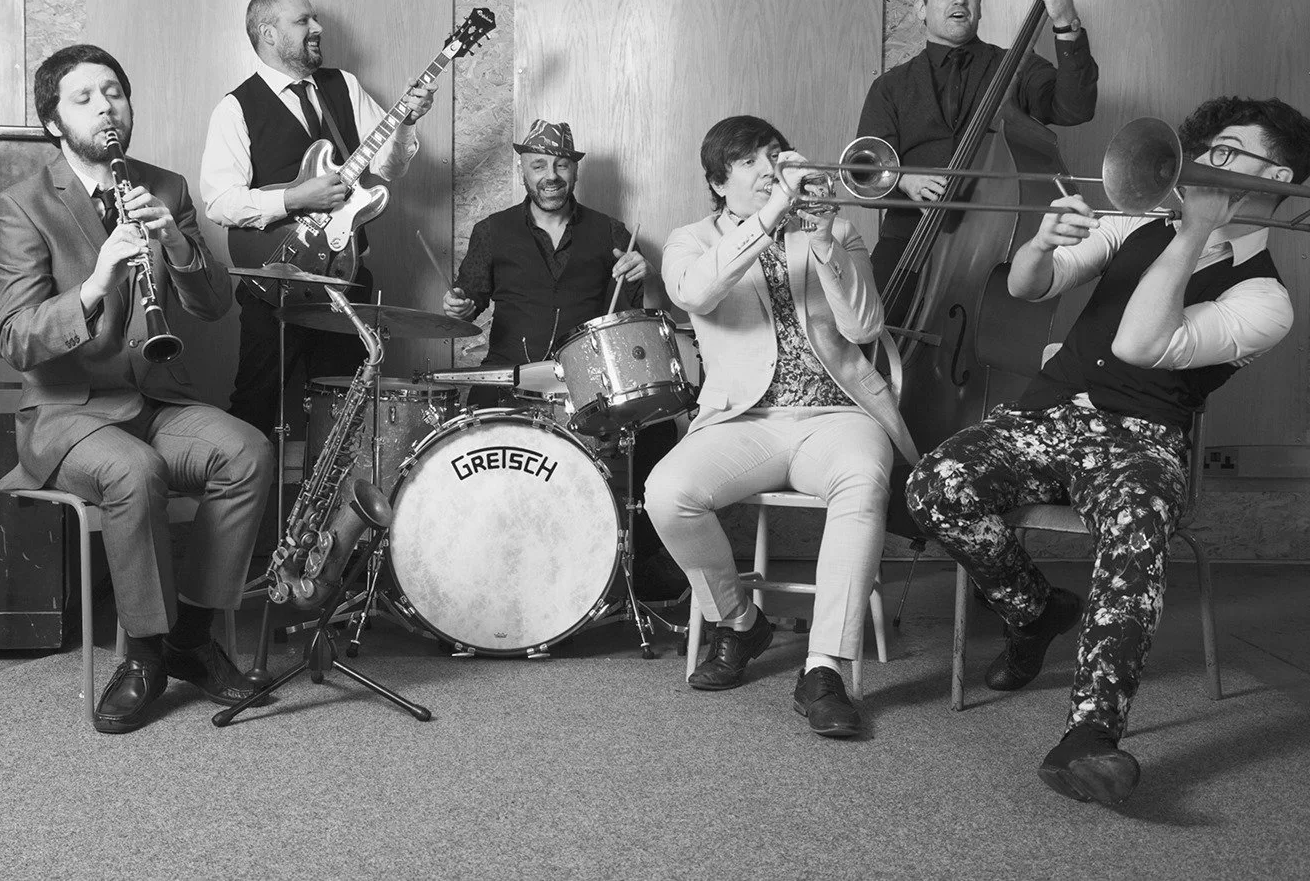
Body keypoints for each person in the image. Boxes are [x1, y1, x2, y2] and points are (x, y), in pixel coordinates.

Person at [906, 96, 1310, 803]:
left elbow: (1140, 344)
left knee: (1135, 531)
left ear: (1276, 176)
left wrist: (1195, 232)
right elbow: (1031, 287)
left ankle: (1091, 734)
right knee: (933, 485)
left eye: (1226, 152)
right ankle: (1036, 611)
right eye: (1203, 150)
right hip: (1050, 412)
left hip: (1142, 441)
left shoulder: (1266, 300)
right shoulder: (1136, 222)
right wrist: (1040, 243)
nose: (1202, 163)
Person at [0, 44, 275, 734]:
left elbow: (214, 305)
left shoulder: (165, 188)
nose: (106, 107)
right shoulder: (23, 204)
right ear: (54, 122)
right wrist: (95, 283)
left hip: (154, 399)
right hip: (67, 414)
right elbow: (18, 338)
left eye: (114, 92)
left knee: (248, 451)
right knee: (134, 470)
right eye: (85, 98)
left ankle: (192, 638)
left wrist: (173, 242)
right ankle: (144, 654)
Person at [646, 116, 917, 737]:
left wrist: (823, 241)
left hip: (836, 414)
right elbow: (697, 294)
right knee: (667, 493)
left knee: (862, 482)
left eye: (773, 154)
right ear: (719, 182)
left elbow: (866, 328)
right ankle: (740, 622)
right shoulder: (690, 242)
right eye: (748, 161)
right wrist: (770, 217)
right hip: (745, 420)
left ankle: (823, 668)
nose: (769, 168)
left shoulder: (834, 227)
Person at [442, 119, 683, 598]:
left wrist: (649, 277)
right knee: (468, 436)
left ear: (574, 170)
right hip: (509, 377)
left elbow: (644, 315)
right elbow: (469, 300)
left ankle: (639, 559)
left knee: (658, 431)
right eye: (538, 165)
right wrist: (459, 306)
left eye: (560, 165)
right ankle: (482, 558)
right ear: (524, 171)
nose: (550, 175)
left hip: (586, 381)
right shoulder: (491, 231)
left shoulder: (611, 231)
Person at [201, 0, 437, 433]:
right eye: (303, 20)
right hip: (275, 282)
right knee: (255, 402)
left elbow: (387, 168)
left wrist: (406, 122)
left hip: (345, 279)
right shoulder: (235, 108)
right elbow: (219, 202)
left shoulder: (343, 85)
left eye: (314, 19)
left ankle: (336, 483)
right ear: (268, 34)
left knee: (345, 409)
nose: (317, 27)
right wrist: (296, 198)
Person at [857, 0, 1100, 286]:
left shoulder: (1017, 67)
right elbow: (863, 175)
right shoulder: (889, 86)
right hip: (907, 240)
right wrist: (904, 181)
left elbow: (1075, 108)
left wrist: (1065, 24)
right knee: (875, 317)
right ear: (920, 9)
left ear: (980, 6)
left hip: (994, 244)